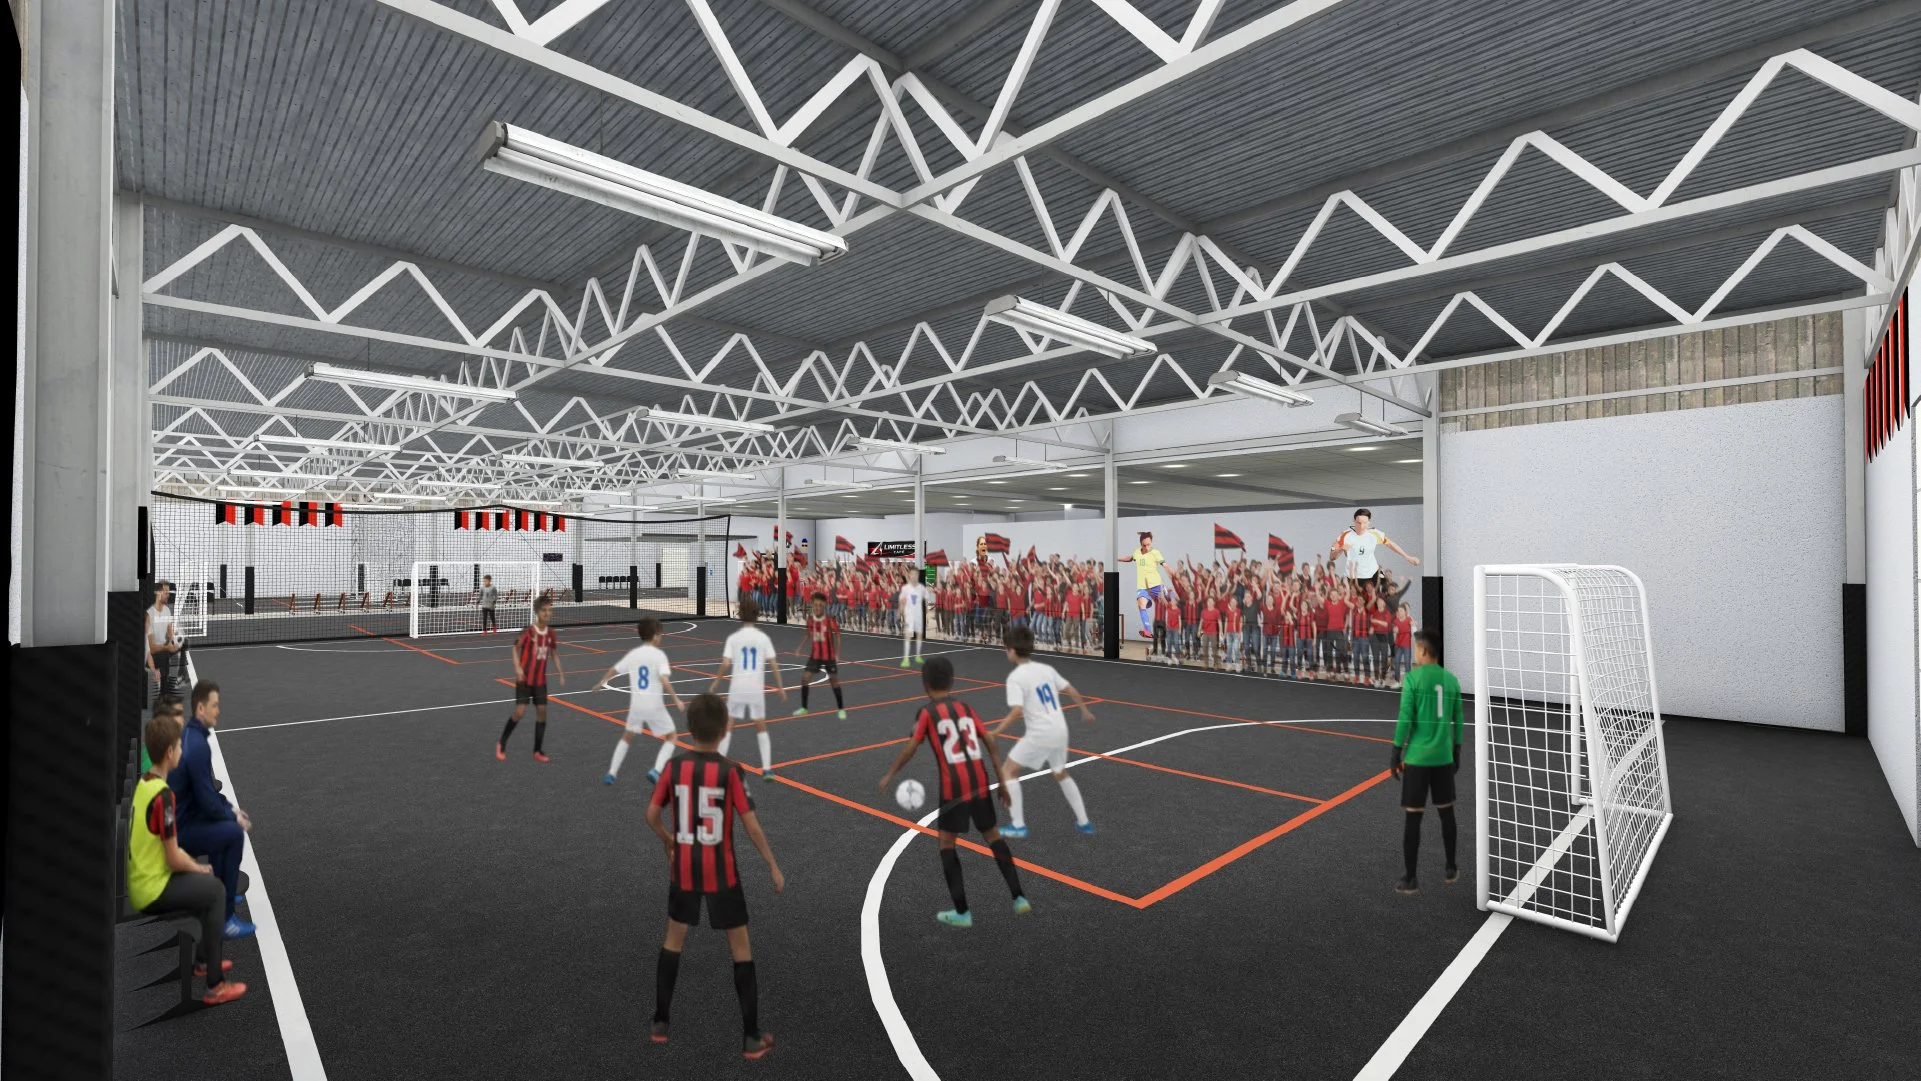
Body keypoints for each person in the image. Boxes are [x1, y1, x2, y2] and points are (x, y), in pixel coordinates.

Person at [645, 694, 783, 1060]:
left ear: (689, 730)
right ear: (726, 730)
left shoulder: (674, 768)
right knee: (740, 949)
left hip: (684, 869)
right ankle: (751, 1037)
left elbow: (651, 814)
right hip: (722, 875)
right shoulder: (730, 771)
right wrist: (771, 862)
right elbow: (750, 824)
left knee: (673, 940)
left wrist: (667, 839)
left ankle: (660, 1022)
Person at [876, 656, 1030, 927]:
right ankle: (1019, 897)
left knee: (946, 843)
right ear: (952, 681)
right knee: (992, 835)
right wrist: (1002, 780)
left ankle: (962, 912)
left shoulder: (927, 713)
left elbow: (912, 747)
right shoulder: (966, 708)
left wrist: (890, 773)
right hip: (980, 780)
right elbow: (990, 741)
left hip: (954, 787)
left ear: (925, 684)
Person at [131, 713, 248, 1005]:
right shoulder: (164, 797)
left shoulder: (144, 785)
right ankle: (214, 985)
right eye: (179, 747)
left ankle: (203, 960)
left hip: (144, 877)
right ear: (170, 752)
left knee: (203, 884)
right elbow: (172, 857)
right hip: (152, 887)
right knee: (216, 890)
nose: (183, 752)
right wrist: (198, 867)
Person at [988, 626, 1095, 837]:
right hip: (1060, 729)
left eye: (1006, 649)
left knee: (1008, 770)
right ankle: (1084, 822)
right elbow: (1070, 689)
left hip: (1041, 733)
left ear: (1011, 650)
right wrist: (1084, 711)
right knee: (1060, 772)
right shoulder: (1046, 669)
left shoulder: (1016, 677)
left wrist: (996, 732)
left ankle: (1018, 825)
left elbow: (1016, 710)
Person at [170, 680, 254, 938]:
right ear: (200, 709)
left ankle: (222, 892)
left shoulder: (192, 737)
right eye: (214, 706)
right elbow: (207, 800)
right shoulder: (196, 746)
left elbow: (207, 792)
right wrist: (233, 816)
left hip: (182, 819)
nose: (218, 711)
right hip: (178, 831)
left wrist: (228, 809)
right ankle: (224, 918)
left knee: (226, 826)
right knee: (232, 835)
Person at [1391, 631, 1463, 894]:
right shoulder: (1452, 680)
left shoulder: (1413, 679)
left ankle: (1410, 878)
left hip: (1418, 760)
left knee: (1413, 818)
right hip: (1443, 758)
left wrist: (1396, 752)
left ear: (1422, 650)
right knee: (1447, 813)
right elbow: (1459, 719)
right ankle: (1451, 867)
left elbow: (1405, 718)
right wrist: (1457, 750)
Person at [595, 617, 684, 785]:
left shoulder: (634, 655)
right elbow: (664, 681)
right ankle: (656, 770)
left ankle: (612, 773)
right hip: (654, 706)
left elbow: (614, 669)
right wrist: (676, 699)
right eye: (661, 634)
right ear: (655, 636)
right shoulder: (659, 656)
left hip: (637, 706)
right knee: (672, 737)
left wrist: (601, 682)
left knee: (626, 738)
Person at [709, 598, 786, 778]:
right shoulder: (763, 638)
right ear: (757, 614)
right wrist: (780, 686)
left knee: (728, 725)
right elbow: (773, 664)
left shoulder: (734, 638)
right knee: (761, 726)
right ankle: (767, 768)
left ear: (741, 614)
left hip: (737, 687)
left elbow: (726, 663)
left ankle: (718, 764)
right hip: (755, 689)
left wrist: (716, 681)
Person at [498, 595, 564, 762]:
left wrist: (561, 672)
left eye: (549, 610)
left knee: (542, 713)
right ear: (537, 612)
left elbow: (554, 654)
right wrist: (518, 667)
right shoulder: (528, 632)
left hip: (540, 681)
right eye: (544, 610)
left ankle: (537, 750)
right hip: (524, 680)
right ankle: (502, 743)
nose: (547, 613)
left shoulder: (550, 634)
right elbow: (514, 648)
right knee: (520, 711)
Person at [1330, 508, 1421, 604]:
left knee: (1384, 598)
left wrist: (1407, 557)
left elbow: (1390, 544)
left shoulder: (1374, 533)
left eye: (1364, 523)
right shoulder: (1345, 535)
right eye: (1358, 523)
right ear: (1354, 520)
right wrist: (1341, 549)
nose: (1361, 526)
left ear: (1369, 522)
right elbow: (1332, 556)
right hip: (1353, 577)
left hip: (1373, 574)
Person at [792, 592, 847, 720]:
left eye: (820, 605)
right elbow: (808, 634)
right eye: (815, 605)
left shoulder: (829, 620)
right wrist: (800, 647)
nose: (817, 607)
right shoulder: (810, 620)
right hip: (815, 655)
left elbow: (838, 635)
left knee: (834, 681)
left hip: (829, 657)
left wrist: (838, 653)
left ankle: (841, 709)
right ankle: (804, 708)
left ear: (824, 606)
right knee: (805, 679)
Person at [1116, 532, 1168, 639]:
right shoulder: (1137, 553)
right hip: (1142, 587)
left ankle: (1164, 590)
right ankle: (1148, 631)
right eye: (1144, 545)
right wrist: (1118, 558)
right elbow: (1130, 558)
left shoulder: (1155, 552)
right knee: (1140, 604)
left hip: (1155, 585)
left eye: (1148, 544)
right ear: (1141, 544)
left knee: (1166, 604)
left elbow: (1164, 564)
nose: (1146, 547)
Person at [147, 581, 187, 699]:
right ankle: (163, 693)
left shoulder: (167, 610)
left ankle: (181, 675)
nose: (168, 594)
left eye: (168, 592)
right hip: (150, 651)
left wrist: (172, 642)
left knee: (183, 644)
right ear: (158, 593)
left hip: (162, 646)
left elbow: (170, 631)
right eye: (165, 592)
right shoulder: (150, 613)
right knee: (164, 657)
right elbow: (150, 645)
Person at [897, 569, 930, 667]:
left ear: (918, 575)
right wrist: (900, 610)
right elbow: (902, 600)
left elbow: (927, 598)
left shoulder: (921, 588)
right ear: (909, 576)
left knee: (919, 634)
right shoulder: (905, 588)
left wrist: (927, 613)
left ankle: (918, 656)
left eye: (916, 574)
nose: (914, 576)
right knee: (908, 635)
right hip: (909, 616)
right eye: (912, 574)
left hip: (919, 615)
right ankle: (906, 658)